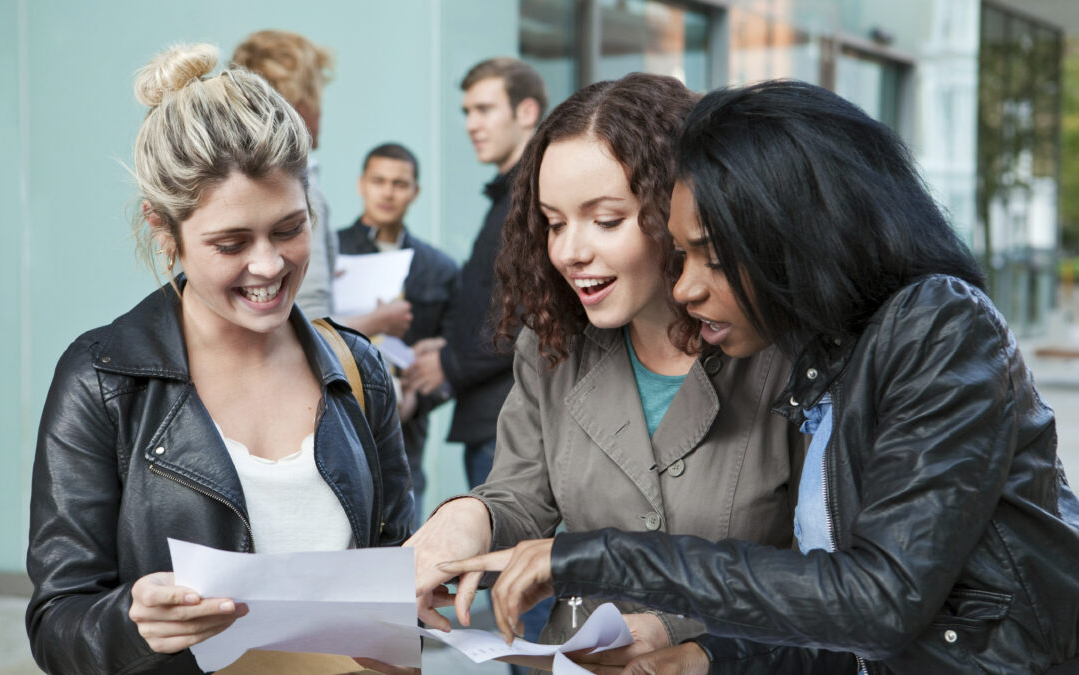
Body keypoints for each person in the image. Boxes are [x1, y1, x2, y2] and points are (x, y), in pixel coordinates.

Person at [442, 80, 1079, 674]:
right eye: (553, 223)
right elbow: (825, 614)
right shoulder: (831, 353)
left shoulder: (935, 327)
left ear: (795, 238)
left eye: (712, 259)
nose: (687, 287)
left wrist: (597, 557)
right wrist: (706, 657)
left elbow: (877, 602)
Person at [25, 44, 412, 675]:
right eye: (231, 243)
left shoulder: (357, 368)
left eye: (289, 228)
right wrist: (133, 620)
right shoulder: (102, 380)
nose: (268, 266)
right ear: (163, 229)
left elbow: (400, 574)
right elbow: (57, 621)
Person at [408, 73, 805, 671]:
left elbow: (829, 571)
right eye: (554, 222)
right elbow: (521, 493)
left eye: (606, 220)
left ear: (682, 211)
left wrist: (680, 631)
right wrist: (467, 520)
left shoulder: (784, 354)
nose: (570, 251)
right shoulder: (553, 347)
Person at [405, 57, 546, 491]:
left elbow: (530, 311)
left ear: (526, 112)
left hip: (510, 420)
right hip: (496, 416)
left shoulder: (535, 195)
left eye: (484, 109)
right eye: (467, 112)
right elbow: (497, 300)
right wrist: (448, 346)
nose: (471, 124)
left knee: (501, 558)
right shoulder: (510, 196)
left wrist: (449, 362)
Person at [338, 143, 458, 524]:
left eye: (400, 183)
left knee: (403, 534)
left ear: (415, 191)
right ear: (361, 184)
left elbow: (451, 355)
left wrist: (417, 401)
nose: (388, 192)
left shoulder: (438, 267)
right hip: (338, 412)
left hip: (407, 428)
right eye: (379, 181)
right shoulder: (328, 252)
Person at [232, 29, 338, 319]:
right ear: (299, 101)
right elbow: (313, 315)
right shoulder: (296, 183)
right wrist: (380, 321)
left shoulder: (223, 174)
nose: (321, 109)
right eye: (317, 93)